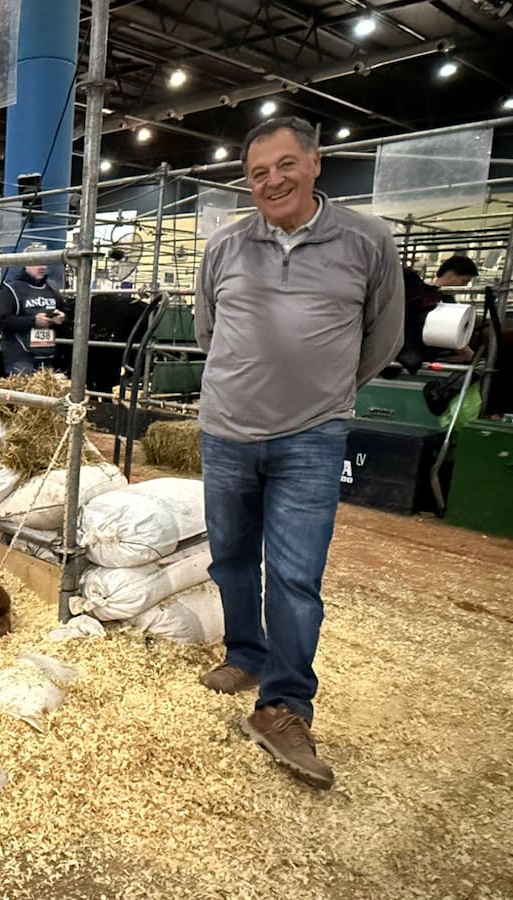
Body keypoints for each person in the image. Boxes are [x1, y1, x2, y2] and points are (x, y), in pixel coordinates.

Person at [193, 116, 404, 790]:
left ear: (315, 163)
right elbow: (207, 331)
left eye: (285, 165)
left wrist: (322, 392)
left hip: (312, 437)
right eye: (258, 173)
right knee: (229, 557)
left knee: (294, 576)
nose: (272, 181)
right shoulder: (224, 247)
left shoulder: (367, 241)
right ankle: (246, 652)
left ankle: (283, 705)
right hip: (226, 430)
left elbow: (384, 339)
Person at [0, 242, 67, 375]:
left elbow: (65, 315)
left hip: (47, 355)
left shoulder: (52, 289)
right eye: (36, 262)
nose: (42, 267)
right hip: (19, 357)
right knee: (24, 393)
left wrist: (60, 318)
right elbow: (1, 320)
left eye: (45, 262)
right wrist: (33, 321)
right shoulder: (11, 289)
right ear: (25, 264)